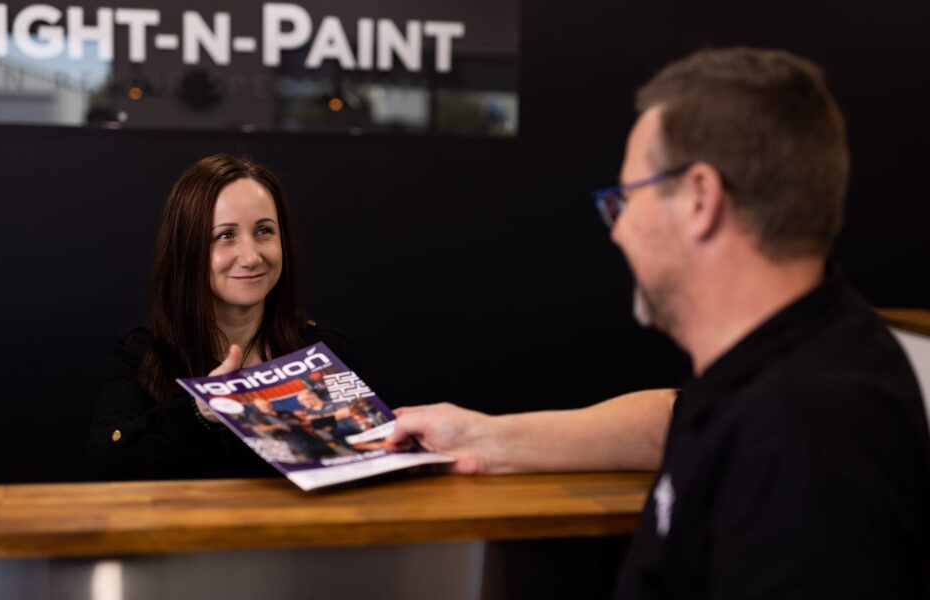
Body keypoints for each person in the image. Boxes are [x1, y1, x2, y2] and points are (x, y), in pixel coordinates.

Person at [388, 47, 930, 597]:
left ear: (700, 198)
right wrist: (479, 436)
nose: (617, 231)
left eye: (625, 199)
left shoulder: (804, 444)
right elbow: (673, 420)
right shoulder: (796, 356)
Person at [87, 154, 350, 479]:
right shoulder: (139, 356)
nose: (251, 257)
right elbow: (107, 464)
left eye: (265, 231)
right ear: (187, 249)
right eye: (225, 235)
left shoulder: (327, 351)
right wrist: (199, 411)